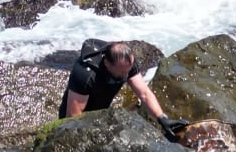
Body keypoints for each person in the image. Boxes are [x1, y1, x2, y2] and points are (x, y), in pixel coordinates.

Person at [58, 41, 186, 137]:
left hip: (102, 110)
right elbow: (73, 117)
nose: (126, 76)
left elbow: (144, 93)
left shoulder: (126, 63)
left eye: (128, 71)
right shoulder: (86, 74)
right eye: (121, 73)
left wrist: (162, 118)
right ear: (107, 63)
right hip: (75, 114)